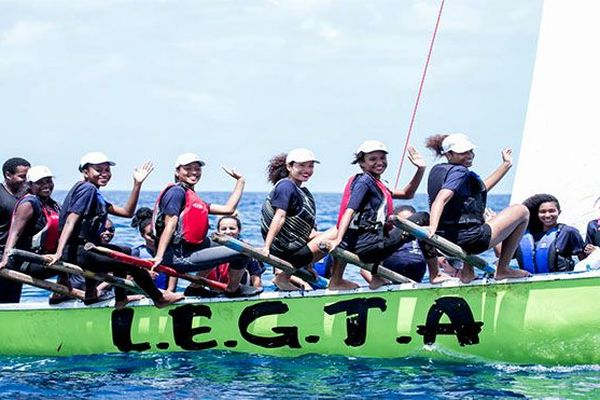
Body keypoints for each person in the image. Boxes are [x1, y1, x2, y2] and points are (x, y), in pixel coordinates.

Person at [46, 152, 182, 307]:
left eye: (107, 170)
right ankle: (158, 298)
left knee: (125, 251)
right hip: (77, 251)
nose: (104, 174)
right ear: (85, 171)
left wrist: (137, 184)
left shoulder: (93, 192)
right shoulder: (87, 189)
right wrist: (58, 252)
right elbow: (71, 220)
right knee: (134, 263)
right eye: (98, 170)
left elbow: (127, 213)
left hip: (82, 248)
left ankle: (113, 296)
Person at [327, 141, 448, 290]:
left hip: (360, 246)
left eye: (382, 158)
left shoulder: (376, 184)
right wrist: (337, 239)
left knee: (381, 229)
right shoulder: (365, 182)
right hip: (371, 249)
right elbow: (349, 210)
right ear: (361, 163)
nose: (379, 162)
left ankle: (375, 279)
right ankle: (435, 274)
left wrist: (420, 169)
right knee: (424, 217)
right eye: (372, 159)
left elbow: (407, 194)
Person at [426, 133, 531, 282]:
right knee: (522, 211)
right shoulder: (460, 171)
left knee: (472, 219)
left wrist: (506, 165)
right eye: (463, 152)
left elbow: (482, 189)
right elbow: (440, 199)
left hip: (447, 240)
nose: (469, 155)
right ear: (449, 154)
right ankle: (503, 269)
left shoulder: (439, 170)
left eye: (470, 151)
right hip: (471, 241)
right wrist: (432, 227)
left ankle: (468, 274)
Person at [152, 153, 260, 297]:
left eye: (197, 168)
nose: (194, 172)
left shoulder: (191, 195)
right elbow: (170, 225)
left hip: (189, 249)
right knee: (242, 252)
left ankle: (195, 287)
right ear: (177, 172)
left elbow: (228, 209)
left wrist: (240, 181)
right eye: (188, 168)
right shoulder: (176, 192)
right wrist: (158, 257)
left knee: (233, 243)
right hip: (177, 256)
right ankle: (233, 290)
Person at [260, 148, 335, 291]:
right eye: (301, 165)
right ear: (289, 166)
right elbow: (279, 217)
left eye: (310, 166)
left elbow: (305, 233)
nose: (307, 170)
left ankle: (290, 274)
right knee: (339, 230)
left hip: (293, 251)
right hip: (285, 252)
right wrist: (267, 247)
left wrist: (308, 267)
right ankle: (283, 278)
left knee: (338, 234)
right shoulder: (286, 186)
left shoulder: (301, 191)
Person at [0, 165, 63, 303]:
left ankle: (62, 292)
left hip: (38, 258)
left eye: (49, 181)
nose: (46, 185)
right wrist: (5, 259)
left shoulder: (54, 205)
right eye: (40, 182)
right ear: (30, 185)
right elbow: (14, 233)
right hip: (22, 262)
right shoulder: (29, 204)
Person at [516, 194, 586, 273]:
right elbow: (502, 253)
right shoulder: (523, 235)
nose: (547, 215)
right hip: (528, 281)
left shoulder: (569, 232)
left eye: (552, 211)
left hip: (560, 281)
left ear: (559, 212)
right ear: (537, 214)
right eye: (542, 212)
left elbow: (584, 260)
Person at [360, 205, 427, 285]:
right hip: (391, 281)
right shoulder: (388, 239)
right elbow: (364, 270)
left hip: (416, 280)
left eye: (411, 222)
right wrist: (383, 285)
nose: (407, 227)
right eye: (402, 223)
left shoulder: (421, 238)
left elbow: (437, 260)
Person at [0, 157, 31, 303]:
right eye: (22, 177)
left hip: (16, 258)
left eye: (28, 177)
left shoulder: (27, 197)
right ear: (8, 175)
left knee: (11, 302)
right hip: (1, 258)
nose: (26, 181)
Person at [207, 215, 265, 289]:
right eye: (224, 229)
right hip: (215, 291)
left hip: (241, 291)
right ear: (218, 231)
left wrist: (256, 293)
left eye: (232, 228)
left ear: (239, 230)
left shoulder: (248, 249)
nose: (228, 232)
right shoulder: (210, 250)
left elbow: (256, 278)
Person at [131, 207, 177, 292]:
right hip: (140, 295)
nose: (154, 238)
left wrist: (168, 293)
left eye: (156, 234)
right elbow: (127, 278)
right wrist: (144, 275)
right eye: (150, 235)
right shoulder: (136, 253)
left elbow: (172, 283)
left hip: (165, 295)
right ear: (142, 235)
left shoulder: (170, 253)